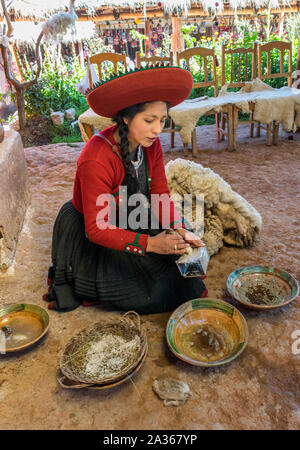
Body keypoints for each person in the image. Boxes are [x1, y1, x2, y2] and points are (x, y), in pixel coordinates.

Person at [43, 65, 208, 313]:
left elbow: (160, 195)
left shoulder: (150, 145)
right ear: (126, 117)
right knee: (149, 288)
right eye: (149, 120)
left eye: (162, 120)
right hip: (95, 227)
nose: (157, 129)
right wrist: (151, 244)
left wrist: (179, 228)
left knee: (179, 245)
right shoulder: (96, 158)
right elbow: (97, 229)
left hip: (130, 212)